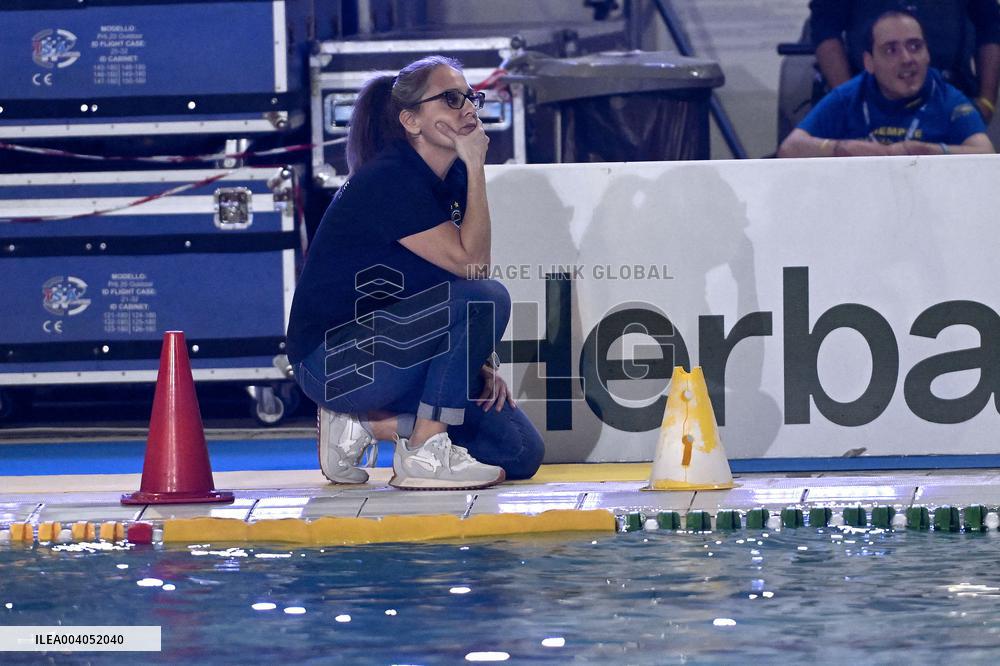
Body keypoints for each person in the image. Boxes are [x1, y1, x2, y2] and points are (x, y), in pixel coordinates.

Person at [285, 55, 545, 490]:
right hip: (332, 361)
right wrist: (478, 165)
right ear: (411, 120)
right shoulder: (391, 179)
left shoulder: (455, 177)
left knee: (518, 451)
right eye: (450, 98)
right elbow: (473, 269)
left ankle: (369, 425)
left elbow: (458, 277)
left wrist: (476, 361)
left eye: (469, 97)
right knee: (488, 296)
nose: (468, 108)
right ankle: (424, 451)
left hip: (397, 349)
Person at [779, 10, 995, 157]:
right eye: (891, 50)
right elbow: (789, 148)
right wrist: (841, 148)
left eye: (915, 47)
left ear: (928, 53)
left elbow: (985, 153)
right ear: (869, 62)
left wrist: (928, 152)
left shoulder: (947, 97)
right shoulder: (850, 95)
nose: (906, 59)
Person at [809, 0, 1000, 123]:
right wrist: (848, 102)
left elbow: (990, 27)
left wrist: (987, 102)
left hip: (949, 95)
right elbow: (825, 30)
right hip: (866, 99)